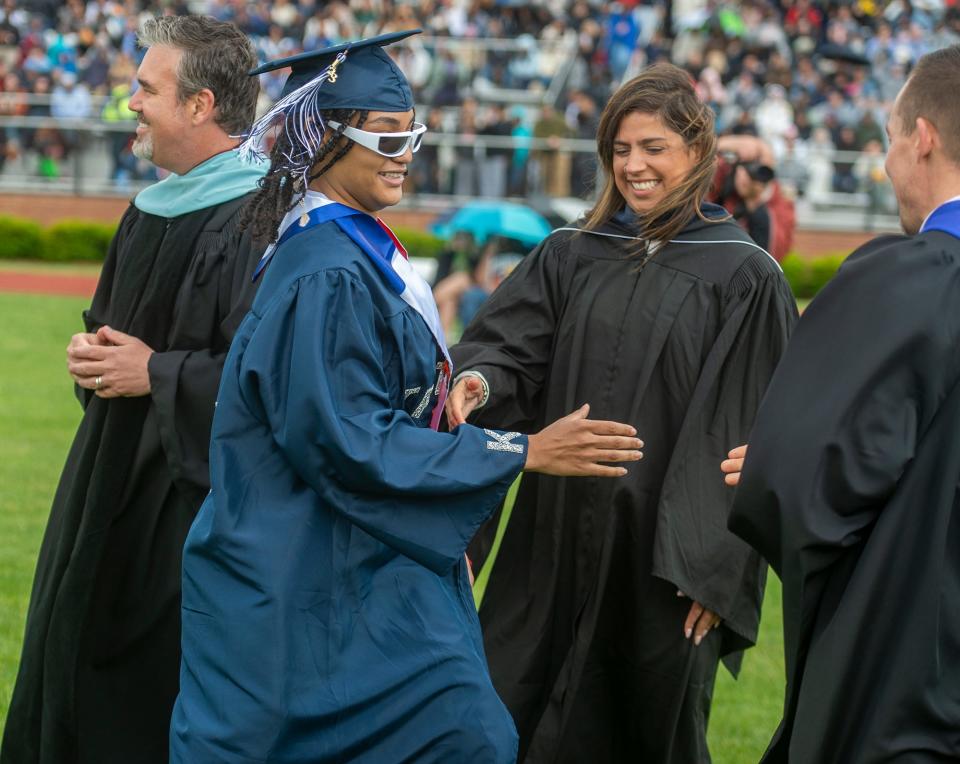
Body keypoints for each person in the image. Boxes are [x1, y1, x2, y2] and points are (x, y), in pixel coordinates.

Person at [169, 31, 642, 763]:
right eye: (385, 137)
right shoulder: (326, 270)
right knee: (462, 736)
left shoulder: (351, 248)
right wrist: (524, 450)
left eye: (411, 135)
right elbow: (350, 440)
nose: (406, 152)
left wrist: (447, 397)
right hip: (317, 575)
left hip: (351, 559)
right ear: (322, 139)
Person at [447, 63, 798, 763]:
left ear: (697, 151)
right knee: (501, 711)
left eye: (653, 148)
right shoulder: (572, 253)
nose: (633, 166)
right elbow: (510, 350)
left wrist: (715, 572)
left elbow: (750, 433)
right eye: (620, 149)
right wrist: (480, 384)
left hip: (658, 571)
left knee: (637, 731)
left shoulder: (744, 275)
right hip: (547, 546)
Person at [1, 16, 265, 764]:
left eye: (145, 89)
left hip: (182, 510)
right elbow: (114, 329)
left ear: (200, 105)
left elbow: (268, 381)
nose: (130, 103)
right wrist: (93, 353)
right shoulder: (150, 208)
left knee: (140, 695)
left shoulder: (258, 219)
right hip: (101, 481)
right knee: (68, 646)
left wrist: (154, 371)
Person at [725, 45, 960, 763]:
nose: (889, 165)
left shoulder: (910, 282)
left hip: (910, 675)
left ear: (922, 138)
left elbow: (802, 484)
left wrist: (776, 463)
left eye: (890, 140)